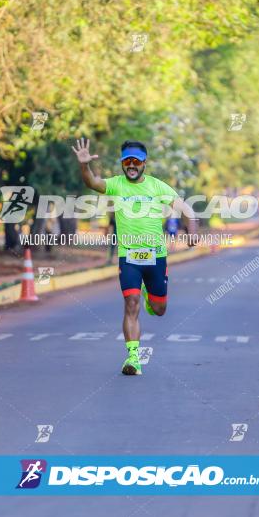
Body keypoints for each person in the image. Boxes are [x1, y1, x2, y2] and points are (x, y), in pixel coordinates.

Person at [72, 138, 197, 375]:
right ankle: (132, 358)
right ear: (122, 163)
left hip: (156, 257)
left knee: (159, 309)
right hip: (128, 256)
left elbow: (186, 209)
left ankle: (153, 298)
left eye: (136, 161)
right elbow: (92, 182)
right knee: (131, 303)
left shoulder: (157, 187)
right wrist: (83, 166)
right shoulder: (116, 185)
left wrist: (192, 230)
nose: (131, 165)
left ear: (144, 163)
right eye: (126, 161)